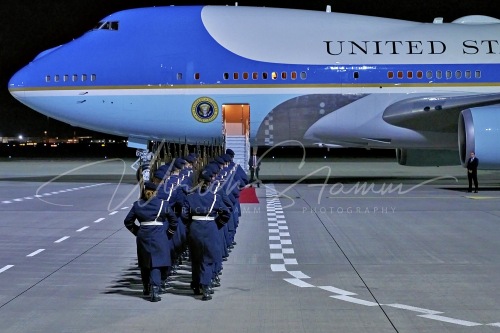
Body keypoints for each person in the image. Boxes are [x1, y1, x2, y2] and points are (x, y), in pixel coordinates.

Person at [124, 181, 178, 302]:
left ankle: (145, 286)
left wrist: (137, 232)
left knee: (145, 262)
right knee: (157, 263)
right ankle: (155, 287)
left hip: (143, 235)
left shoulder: (138, 205)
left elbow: (128, 221)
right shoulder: (163, 204)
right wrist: (168, 233)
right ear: (156, 192)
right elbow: (174, 221)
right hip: (159, 235)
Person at [181, 169, 230, 301]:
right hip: (210, 228)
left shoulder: (190, 197)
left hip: (195, 228)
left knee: (196, 259)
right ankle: (206, 287)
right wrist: (216, 225)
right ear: (210, 183)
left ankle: (196, 285)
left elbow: (184, 215)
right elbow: (226, 214)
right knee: (207, 259)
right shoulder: (215, 197)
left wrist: (190, 224)